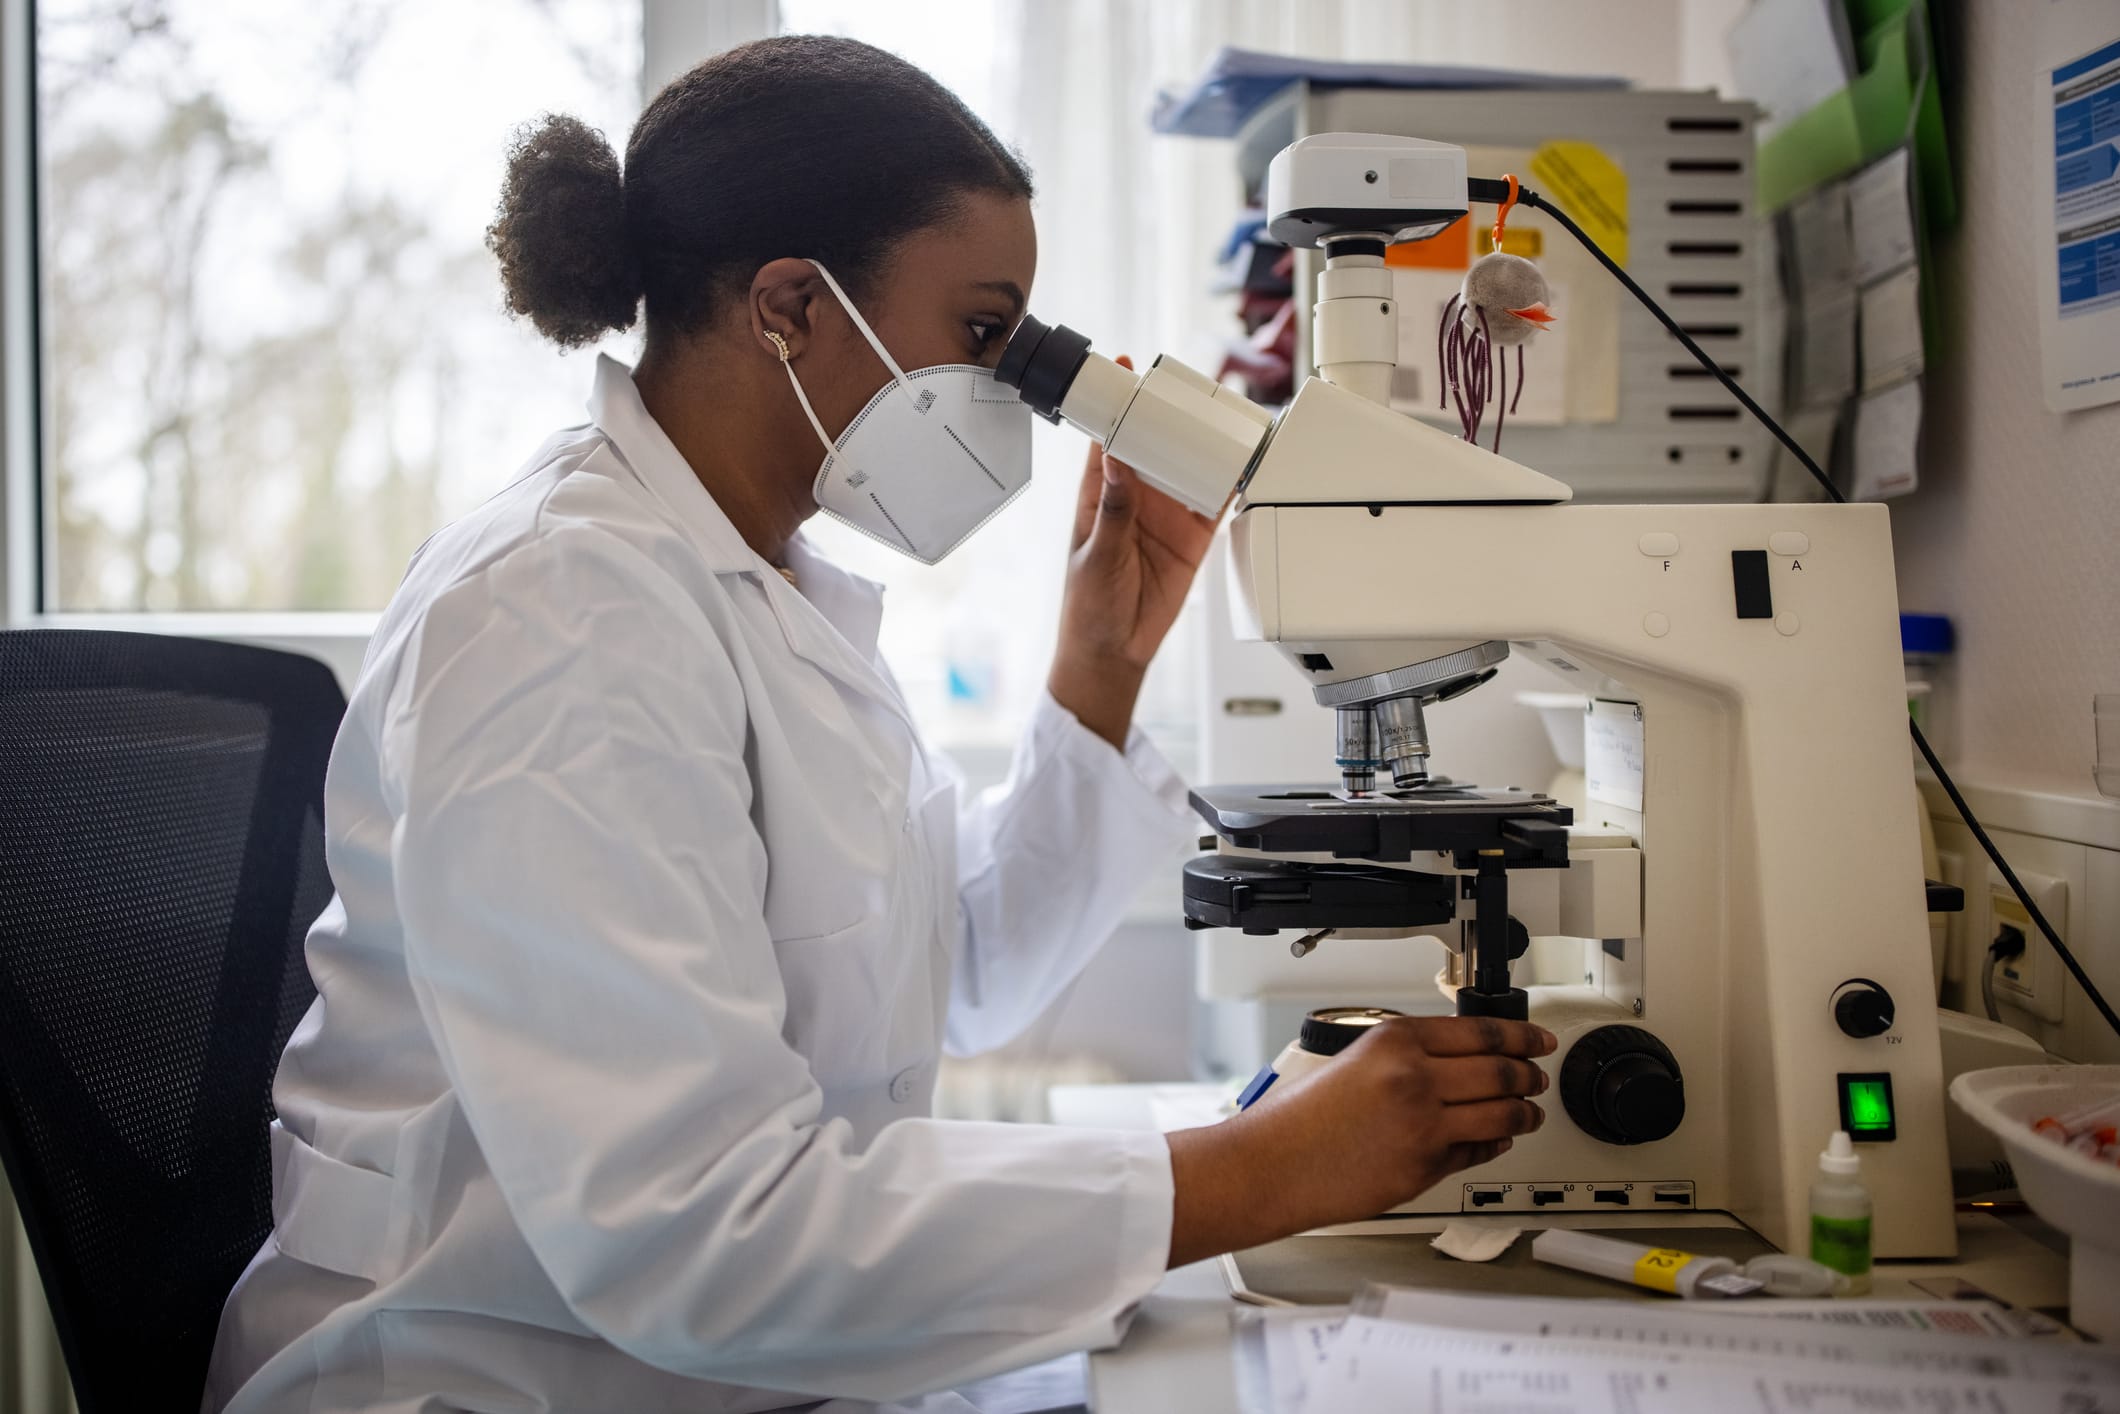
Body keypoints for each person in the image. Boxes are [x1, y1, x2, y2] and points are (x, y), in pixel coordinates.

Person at [204, 35, 1552, 1414]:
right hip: (506, 1379)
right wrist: (1258, 1169)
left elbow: (948, 968)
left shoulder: (761, 583)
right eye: (984, 332)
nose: (1004, 386)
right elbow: (702, 1236)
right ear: (791, 301)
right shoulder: (563, 616)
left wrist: (1102, 665)